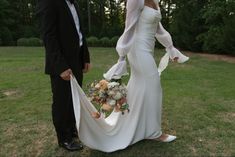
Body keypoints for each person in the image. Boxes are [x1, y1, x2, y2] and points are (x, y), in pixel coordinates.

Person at [71, 0, 189, 153]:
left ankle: (141, 127)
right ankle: (154, 133)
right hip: (138, 50)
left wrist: (170, 48)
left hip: (148, 49)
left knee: (141, 89)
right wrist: (121, 58)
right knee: (155, 89)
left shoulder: (155, 1)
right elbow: (129, 27)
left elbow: (159, 29)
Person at [36, 0, 90, 151]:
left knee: (74, 100)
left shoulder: (74, 4)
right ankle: (64, 139)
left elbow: (80, 32)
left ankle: (73, 131)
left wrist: (85, 57)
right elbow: (49, 36)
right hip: (61, 63)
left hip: (77, 60)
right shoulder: (49, 2)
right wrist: (61, 66)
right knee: (62, 102)